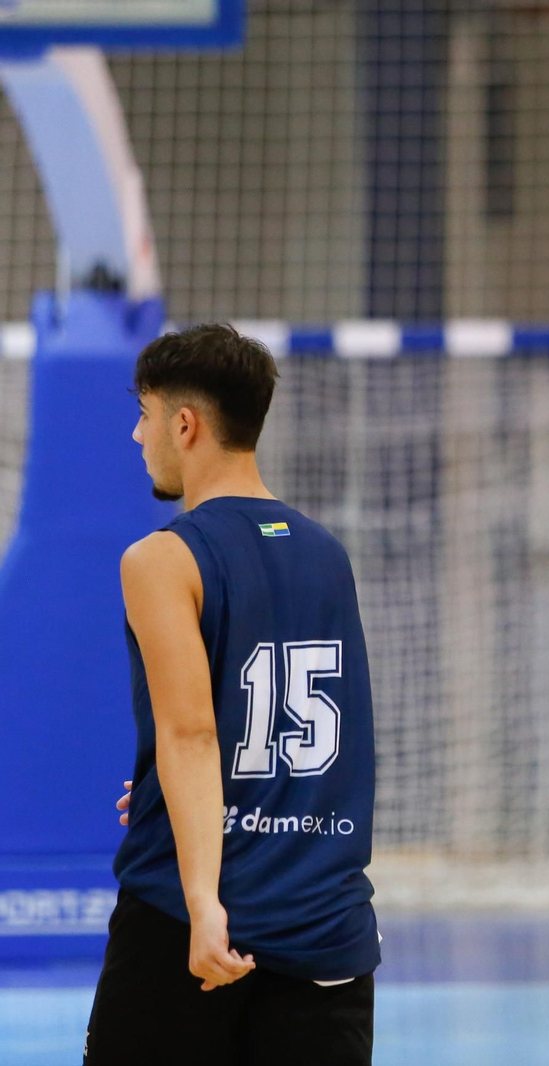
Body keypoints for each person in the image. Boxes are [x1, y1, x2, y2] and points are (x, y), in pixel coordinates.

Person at [85, 325, 380, 1065]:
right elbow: (316, 747)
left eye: (145, 414)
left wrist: (202, 900)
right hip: (329, 920)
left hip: (197, 917)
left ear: (185, 425)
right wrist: (163, 794)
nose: (137, 433)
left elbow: (194, 736)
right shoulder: (326, 554)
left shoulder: (161, 558)